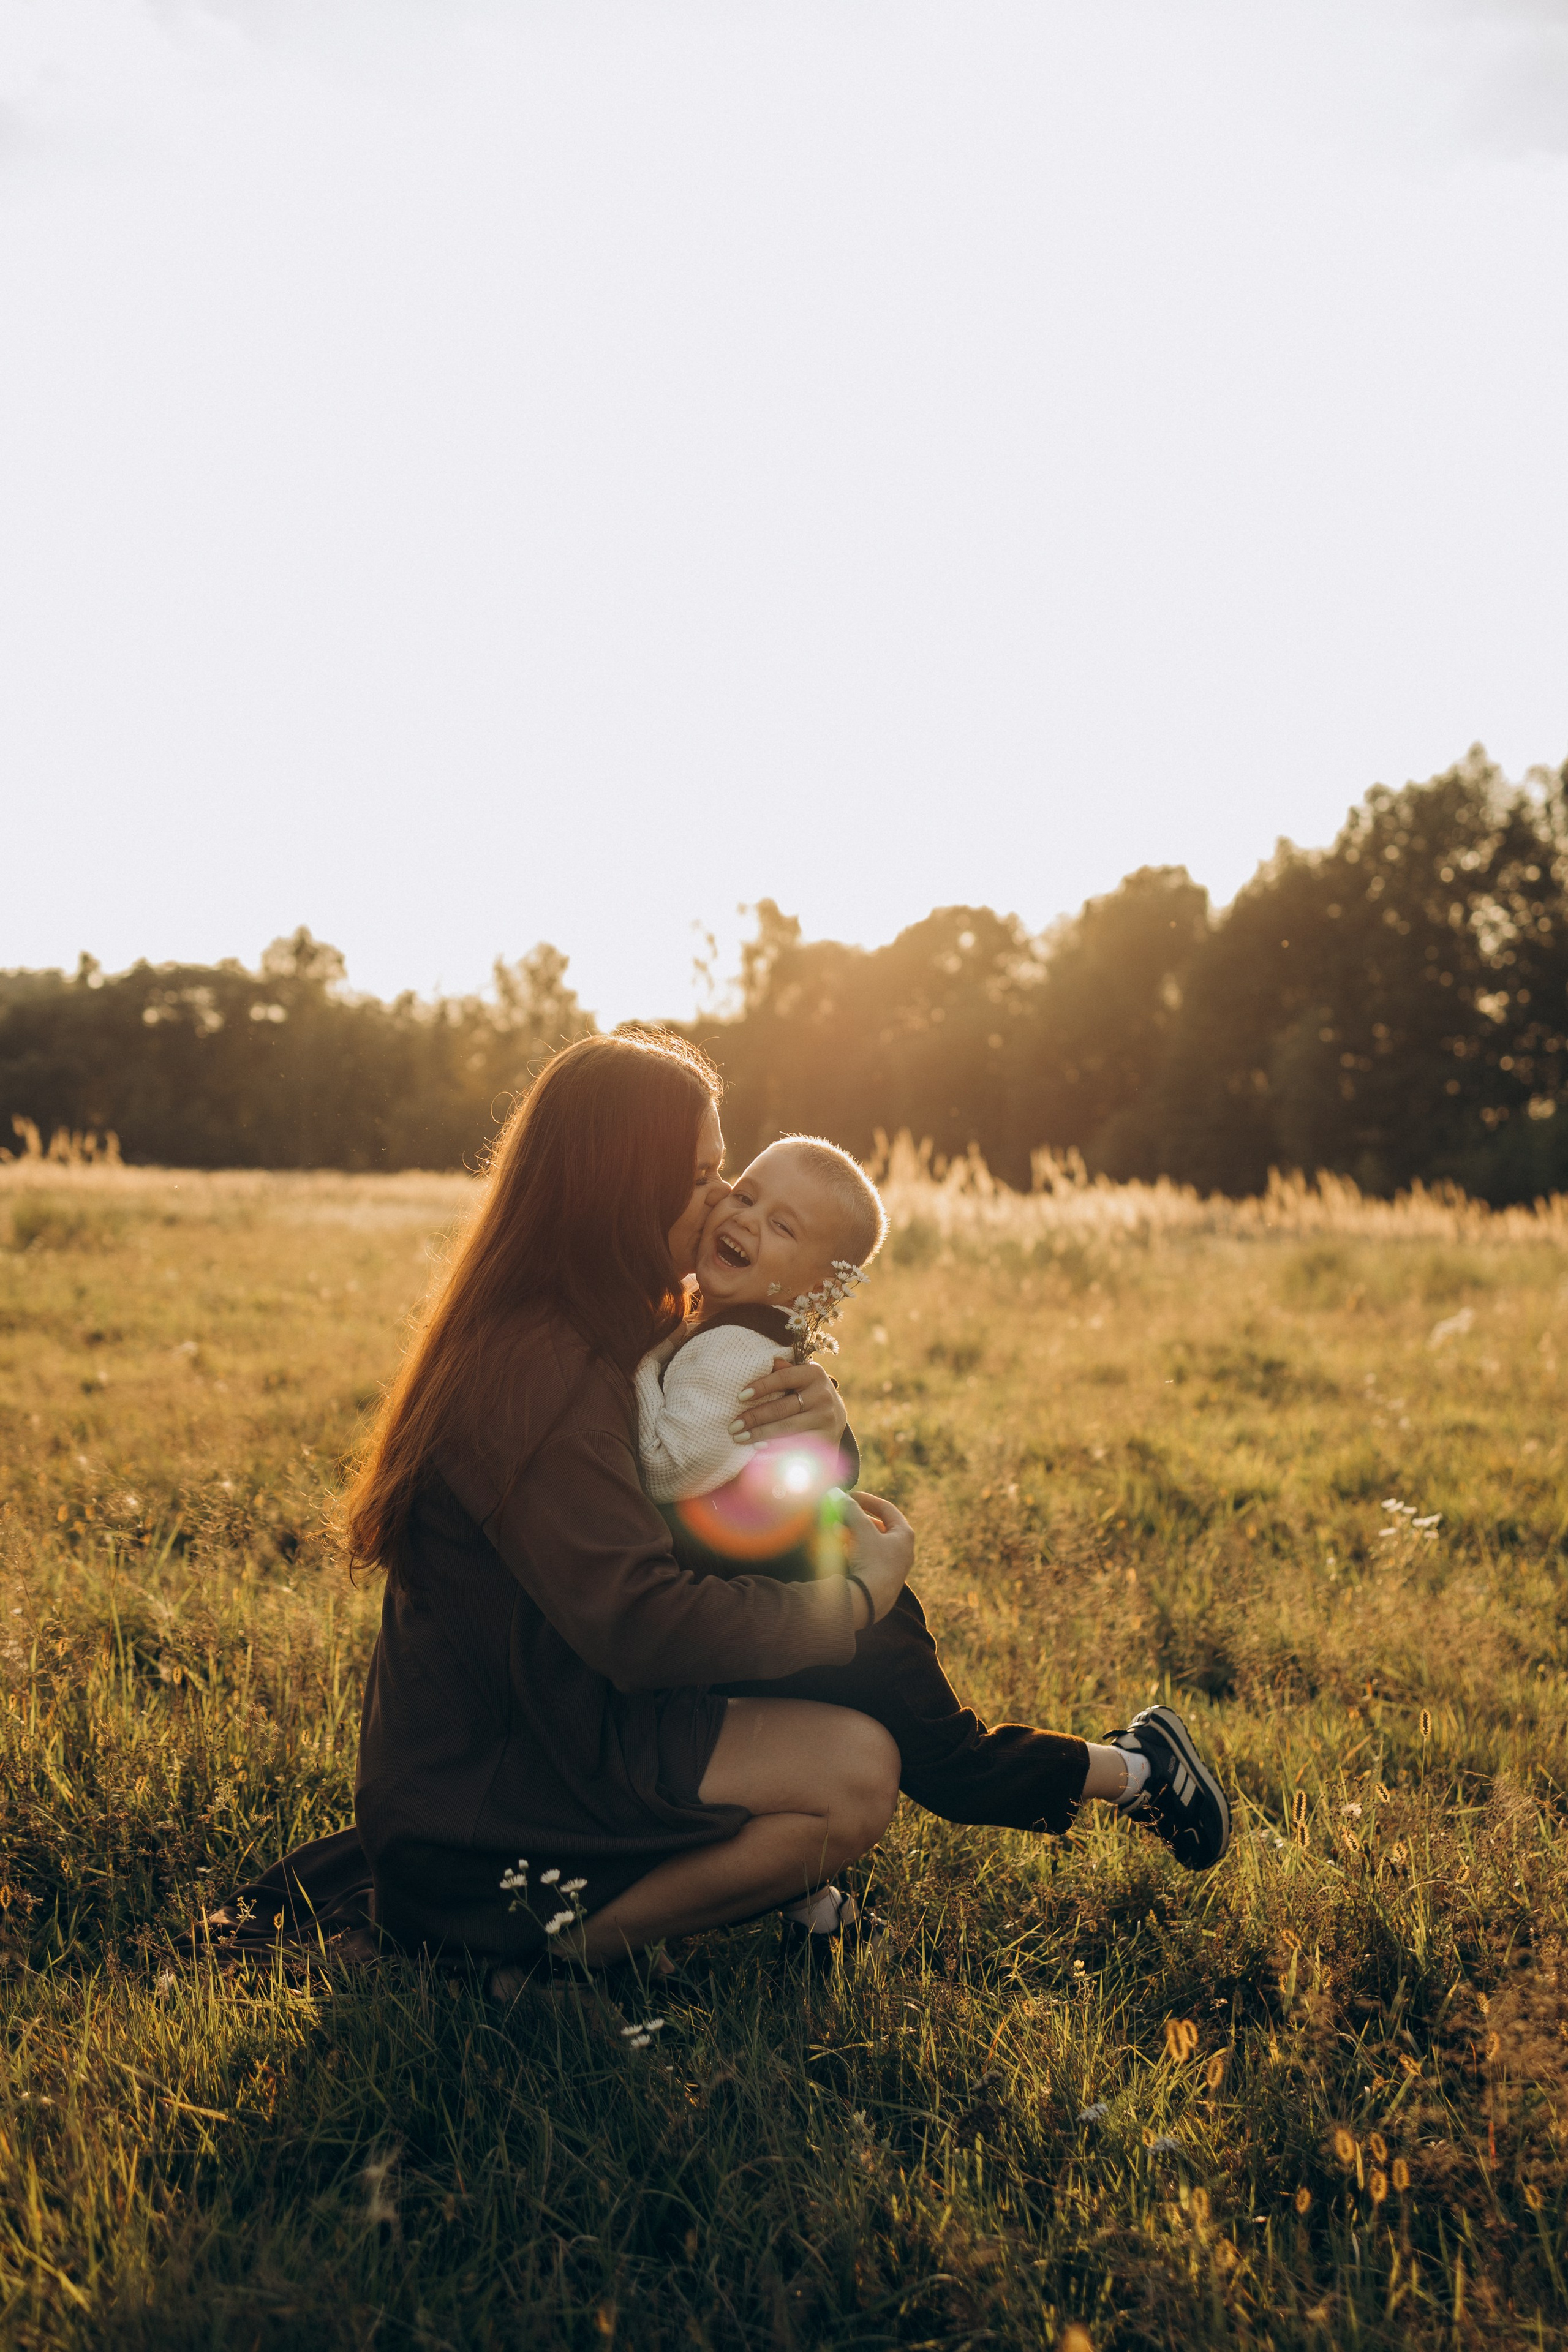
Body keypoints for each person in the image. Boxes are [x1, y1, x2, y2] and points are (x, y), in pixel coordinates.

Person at [201, 1030, 913, 1976]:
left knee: (832, 1743)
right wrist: (852, 1605)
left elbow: (733, 1517)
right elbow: (640, 1621)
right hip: (493, 1793)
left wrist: (818, 1424)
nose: (721, 1200)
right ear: (621, 1184)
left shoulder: (621, 1320)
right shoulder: (536, 1369)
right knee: (858, 1776)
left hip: (561, 1722)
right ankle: (537, 1954)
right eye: (700, 1175)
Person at [636, 1131, 1231, 1893]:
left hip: (850, 1620)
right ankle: (821, 1912)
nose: (744, 1218)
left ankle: (1141, 1770)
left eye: (783, 1226)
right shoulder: (728, 1330)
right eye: (746, 1194)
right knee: (790, 1736)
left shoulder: (731, 1354)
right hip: (798, 1604)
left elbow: (665, 1460)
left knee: (953, 1766)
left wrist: (633, 1367)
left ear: (812, 1287)